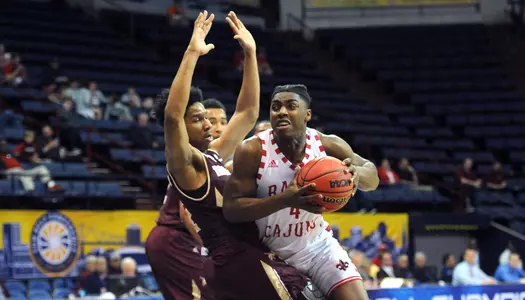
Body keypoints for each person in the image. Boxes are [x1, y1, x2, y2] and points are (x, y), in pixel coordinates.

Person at [146, 11, 317, 300]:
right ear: (182, 127)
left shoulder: (212, 155)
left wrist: (250, 54)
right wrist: (192, 53)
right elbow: (172, 116)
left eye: (207, 118)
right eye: (198, 119)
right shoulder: (185, 165)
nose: (208, 124)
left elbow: (247, 113)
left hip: (248, 252)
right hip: (235, 259)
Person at [223, 84, 379, 300]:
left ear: (307, 114)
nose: (282, 112)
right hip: (267, 252)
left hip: (317, 247)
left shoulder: (328, 145)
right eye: (276, 107)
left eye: (291, 106)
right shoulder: (252, 150)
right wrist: (285, 199)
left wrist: (357, 175)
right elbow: (231, 209)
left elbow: (372, 175)